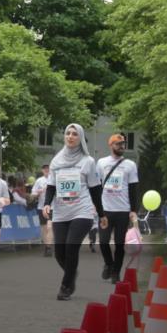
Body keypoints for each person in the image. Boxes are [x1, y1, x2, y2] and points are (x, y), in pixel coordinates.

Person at [43, 123, 101, 300]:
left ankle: (66, 286)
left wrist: (102, 213)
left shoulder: (88, 161)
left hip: (82, 211)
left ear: (80, 138)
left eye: (75, 134)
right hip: (61, 211)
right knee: (59, 251)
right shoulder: (57, 161)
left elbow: (95, 190)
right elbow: (51, 185)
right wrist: (47, 203)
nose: (70, 136)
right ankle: (71, 273)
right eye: (68, 133)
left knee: (71, 247)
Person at [96, 133, 140, 284]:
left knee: (120, 244)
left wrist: (134, 210)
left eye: (123, 144)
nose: (121, 146)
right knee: (103, 241)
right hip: (105, 211)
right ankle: (109, 263)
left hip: (123, 210)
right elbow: (95, 186)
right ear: (111, 145)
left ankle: (116, 273)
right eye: (118, 144)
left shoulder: (130, 165)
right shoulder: (101, 163)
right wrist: (95, 206)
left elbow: (133, 188)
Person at [30, 164, 53, 256]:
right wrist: (37, 193)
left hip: (53, 207)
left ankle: (49, 247)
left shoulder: (55, 179)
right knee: (44, 228)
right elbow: (33, 194)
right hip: (41, 207)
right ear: (42, 170)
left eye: (48, 168)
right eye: (44, 168)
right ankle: (46, 245)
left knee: (49, 227)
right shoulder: (39, 181)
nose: (46, 170)